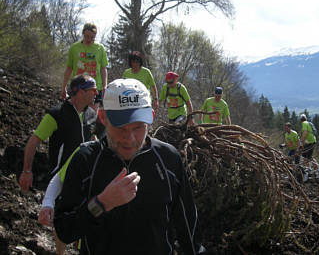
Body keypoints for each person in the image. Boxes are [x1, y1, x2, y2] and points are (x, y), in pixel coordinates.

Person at [54, 78, 205, 255]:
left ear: (151, 118)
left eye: (138, 127)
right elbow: (64, 230)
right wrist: (102, 203)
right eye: (121, 128)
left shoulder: (168, 159)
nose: (130, 138)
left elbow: (188, 227)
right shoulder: (86, 160)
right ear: (103, 118)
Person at [19, 74, 97, 255]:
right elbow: (33, 142)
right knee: (62, 220)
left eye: (95, 90)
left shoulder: (92, 115)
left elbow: (92, 140)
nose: (95, 93)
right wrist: (26, 171)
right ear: (77, 92)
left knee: (85, 215)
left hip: (85, 175)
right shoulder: (56, 114)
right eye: (91, 90)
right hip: (61, 176)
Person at [61, 23, 108, 101]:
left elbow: (103, 68)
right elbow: (69, 68)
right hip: (78, 86)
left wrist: (105, 86)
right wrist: (64, 87)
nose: (89, 39)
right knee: (77, 112)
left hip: (94, 87)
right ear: (83, 34)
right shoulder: (74, 48)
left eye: (92, 37)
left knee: (92, 112)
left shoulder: (100, 48)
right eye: (87, 36)